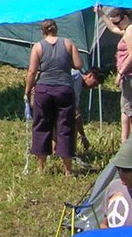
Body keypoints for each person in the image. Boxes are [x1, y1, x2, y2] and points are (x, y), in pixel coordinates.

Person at [24, 18, 87, 176]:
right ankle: (67, 170)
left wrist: (27, 90)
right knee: (65, 127)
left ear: (42, 31)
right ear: (56, 29)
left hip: (43, 90)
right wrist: (67, 63)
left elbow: (32, 72)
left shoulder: (38, 47)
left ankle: (41, 168)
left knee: (41, 126)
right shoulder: (68, 43)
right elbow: (79, 65)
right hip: (64, 89)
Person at [105, 7, 132, 144]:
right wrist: (100, 13)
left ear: (125, 17)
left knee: (131, 108)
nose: (116, 26)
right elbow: (112, 29)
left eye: (118, 22)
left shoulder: (131, 32)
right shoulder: (130, 28)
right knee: (125, 107)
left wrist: (120, 73)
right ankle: (125, 140)